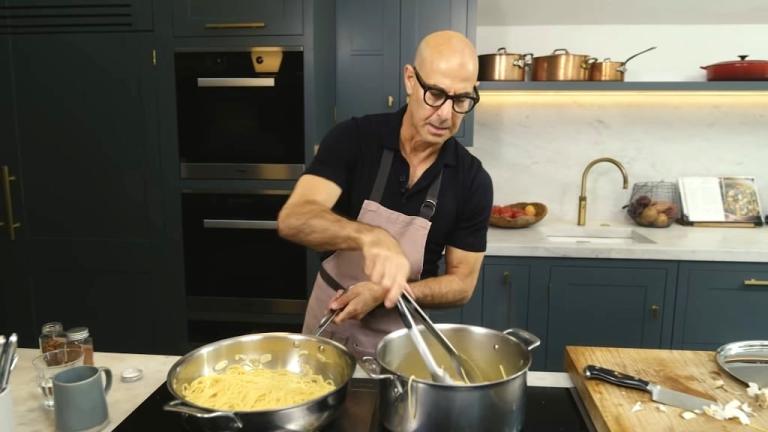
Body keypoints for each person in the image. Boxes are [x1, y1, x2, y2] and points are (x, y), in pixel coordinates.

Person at [277, 30, 493, 359]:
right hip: (330, 321)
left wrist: (388, 292)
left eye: (461, 100)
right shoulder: (354, 138)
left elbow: (462, 284)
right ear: (410, 79)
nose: (446, 115)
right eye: (435, 93)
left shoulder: (472, 180)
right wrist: (371, 238)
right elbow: (294, 219)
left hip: (403, 338)